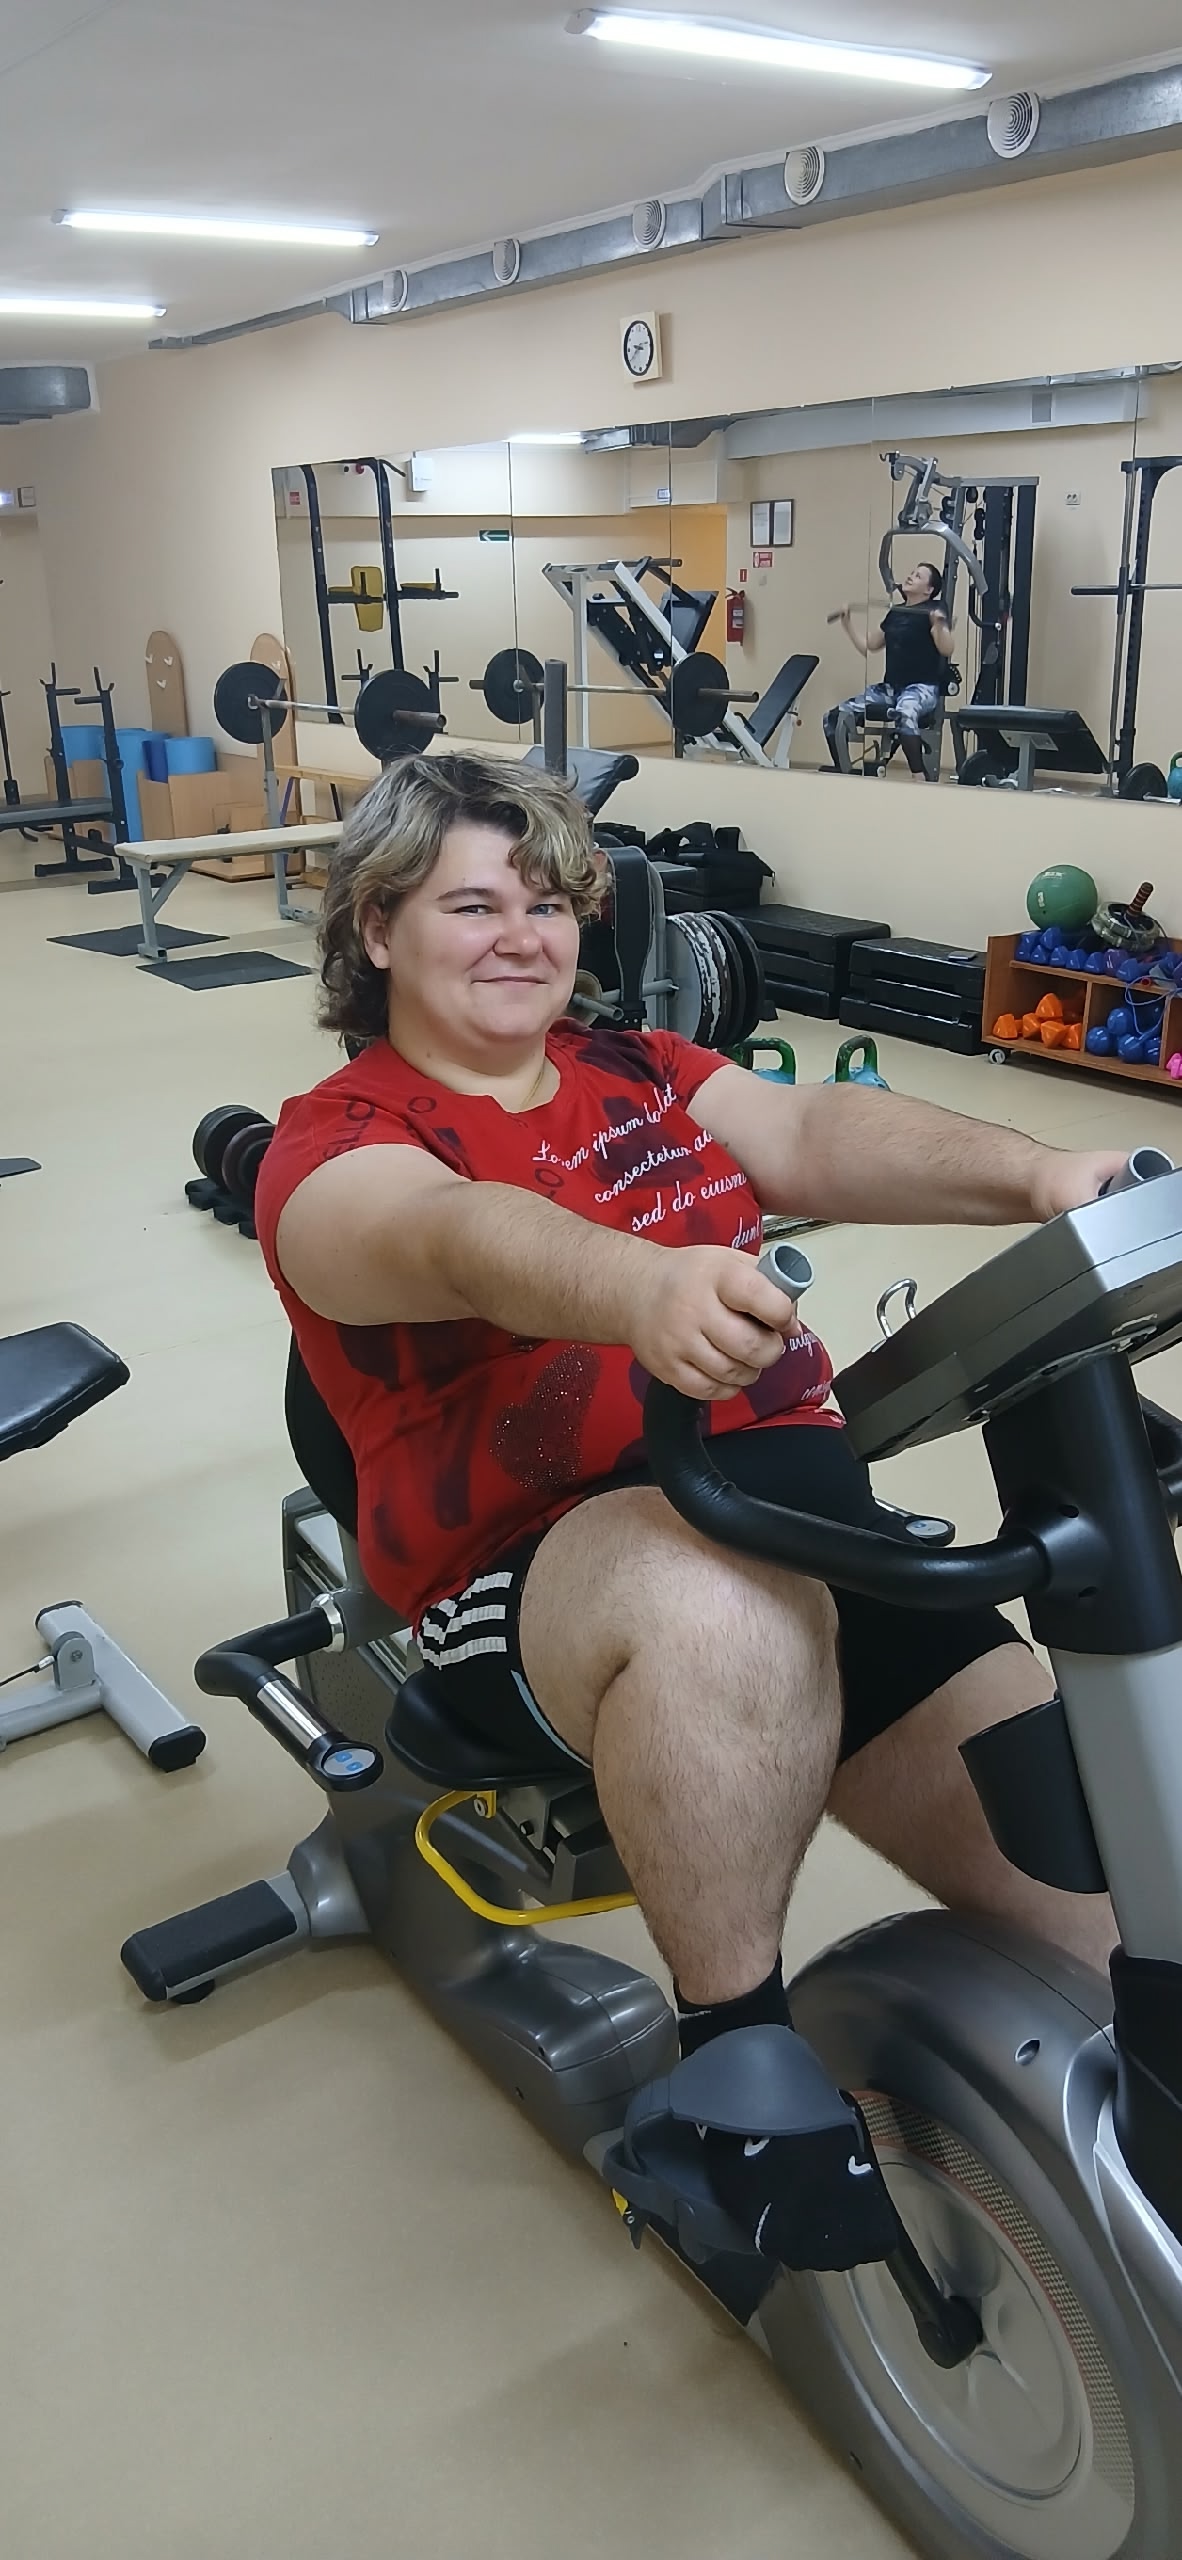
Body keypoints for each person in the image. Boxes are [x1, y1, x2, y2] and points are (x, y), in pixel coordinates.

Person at [255, 750, 1122, 2268]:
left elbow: (810, 1136)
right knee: (714, 1599)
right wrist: (638, 1285)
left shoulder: (642, 1067)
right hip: (540, 1569)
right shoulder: (330, 1147)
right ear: (376, 929)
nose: (523, 935)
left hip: (806, 1530)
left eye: (547, 903)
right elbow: (458, 1236)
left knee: (1103, 1910)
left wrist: (1047, 1174)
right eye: (473, 904)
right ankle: (730, 2081)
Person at [824, 560, 956, 779]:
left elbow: (947, 648)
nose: (911, 576)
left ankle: (919, 776)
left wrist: (939, 625)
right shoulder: (896, 613)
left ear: (929, 590)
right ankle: (844, 771)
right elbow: (870, 646)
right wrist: (847, 624)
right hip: (890, 689)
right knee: (833, 717)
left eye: (918, 576)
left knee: (905, 712)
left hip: (921, 688)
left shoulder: (934, 609)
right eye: (912, 572)